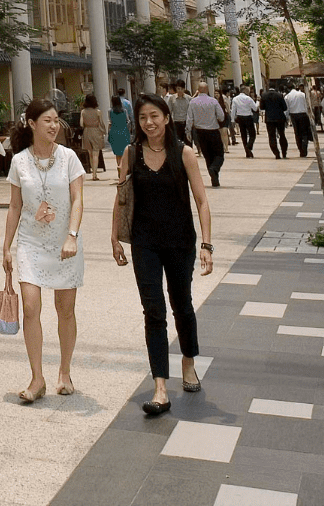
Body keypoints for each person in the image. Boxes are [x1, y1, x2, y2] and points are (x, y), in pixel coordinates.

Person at [111, 92, 214, 415]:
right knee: (153, 311)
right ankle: (159, 386)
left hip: (180, 242)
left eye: (154, 116)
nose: (149, 122)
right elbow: (122, 197)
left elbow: (201, 201)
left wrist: (207, 244)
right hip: (145, 243)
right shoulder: (131, 153)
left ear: (167, 118)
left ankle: (187, 361)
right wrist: (114, 237)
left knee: (182, 304)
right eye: (143, 117)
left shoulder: (183, 154)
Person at [1, 97, 84, 405]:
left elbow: (77, 200)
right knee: (31, 307)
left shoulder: (69, 158)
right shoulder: (19, 161)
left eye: (56, 120)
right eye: (47, 120)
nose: (54, 125)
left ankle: (65, 371)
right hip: (31, 242)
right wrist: (7, 246)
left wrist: (72, 235)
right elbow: (14, 205)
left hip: (65, 243)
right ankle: (37, 378)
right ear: (32, 124)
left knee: (65, 310)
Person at [185, 83, 226, 188]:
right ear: (207, 90)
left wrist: (188, 131)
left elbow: (189, 118)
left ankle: (214, 177)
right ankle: (215, 169)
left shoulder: (193, 102)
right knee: (219, 154)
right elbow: (221, 116)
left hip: (200, 132)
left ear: (198, 90)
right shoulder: (213, 101)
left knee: (208, 156)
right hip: (213, 131)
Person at [79, 93, 108, 177]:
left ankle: (93, 171)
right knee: (96, 153)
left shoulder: (83, 112)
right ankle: (94, 174)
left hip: (87, 131)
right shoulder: (98, 112)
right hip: (96, 131)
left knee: (90, 153)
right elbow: (101, 123)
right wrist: (104, 132)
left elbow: (81, 124)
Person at [259, 83, 289, 159]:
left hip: (269, 119)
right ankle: (284, 152)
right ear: (275, 87)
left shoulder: (264, 95)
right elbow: (285, 107)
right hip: (280, 118)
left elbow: (261, 107)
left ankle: (276, 153)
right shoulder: (279, 95)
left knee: (271, 136)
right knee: (282, 135)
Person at [284, 79, 313, 156]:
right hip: (303, 114)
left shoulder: (287, 97)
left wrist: (286, 118)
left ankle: (301, 150)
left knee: (297, 133)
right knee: (304, 133)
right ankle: (305, 147)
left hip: (294, 116)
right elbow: (307, 105)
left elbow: (287, 109)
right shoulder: (302, 94)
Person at [230, 85, 259, 157]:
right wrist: (258, 102)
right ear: (245, 91)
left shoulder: (235, 99)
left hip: (240, 118)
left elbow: (233, 110)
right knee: (252, 134)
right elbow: (255, 108)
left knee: (243, 135)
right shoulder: (248, 98)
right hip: (248, 117)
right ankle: (249, 146)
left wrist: (232, 119)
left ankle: (247, 151)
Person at [108, 93, 132, 167]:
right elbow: (128, 121)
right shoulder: (124, 111)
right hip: (124, 132)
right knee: (125, 152)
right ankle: (123, 167)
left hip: (114, 132)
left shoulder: (110, 111)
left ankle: (119, 166)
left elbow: (110, 122)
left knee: (117, 153)